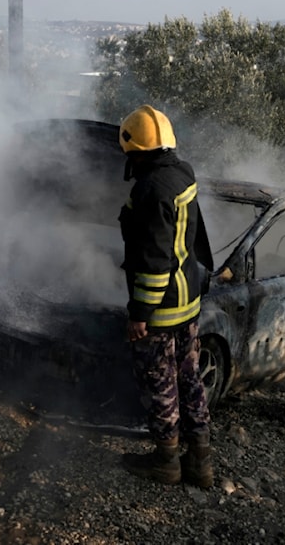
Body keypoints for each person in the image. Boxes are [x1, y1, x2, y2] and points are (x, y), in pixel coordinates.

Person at [117, 105, 214, 488]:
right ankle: (201, 462)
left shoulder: (152, 189)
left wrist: (140, 313)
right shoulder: (181, 174)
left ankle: (166, 463)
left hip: (161, 309)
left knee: (160, 384)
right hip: (188, 301)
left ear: (137, 149)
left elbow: (156, 261)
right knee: (189, 376)